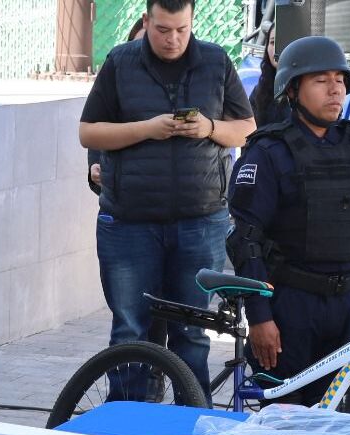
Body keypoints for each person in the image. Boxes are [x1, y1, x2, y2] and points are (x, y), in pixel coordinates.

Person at [78, 0, 256, 389]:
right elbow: (88, 132)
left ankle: (192, 416)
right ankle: (126, 417)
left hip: (200, 221)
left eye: (181, 30)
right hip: (129, 224)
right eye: (162, 30)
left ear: (192, 23)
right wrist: (148, 128)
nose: (172, 39)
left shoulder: (215, 61)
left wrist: (209, 127)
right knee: (129, 331)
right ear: (147, 21)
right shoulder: (121, 62)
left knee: (192, 334)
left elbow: (247, 128)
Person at [225, 35, 350, 406]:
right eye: (321, 80)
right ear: (292, 89)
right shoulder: (269, 152)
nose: (335, 89)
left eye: (340, 80)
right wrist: (260, 317)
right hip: (290, 308)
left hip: (347, 308)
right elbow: (246, 240)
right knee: (285, 423)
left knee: (338, 422)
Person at [87, 16, 146, 196]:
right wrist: (94, 166)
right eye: (136, 45)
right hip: (119, 195)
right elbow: (95, 128)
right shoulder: (115, 77)